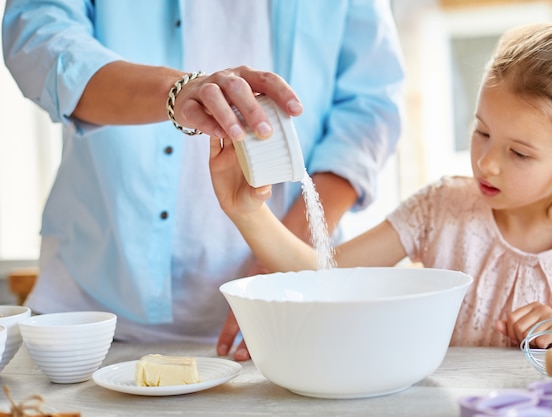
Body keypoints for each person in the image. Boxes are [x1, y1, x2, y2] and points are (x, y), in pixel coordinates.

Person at [1, 0, 404, 360]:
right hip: (93, 318)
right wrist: (175, 92)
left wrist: (279, 262)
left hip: (286, 320)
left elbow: (369, 106)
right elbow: (37, 33)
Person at [210, 22, 552, 349]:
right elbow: (325, 275)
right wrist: (246, 210)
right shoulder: (441, 207)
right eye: (481, 132)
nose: (485, 163)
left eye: (518, 153)